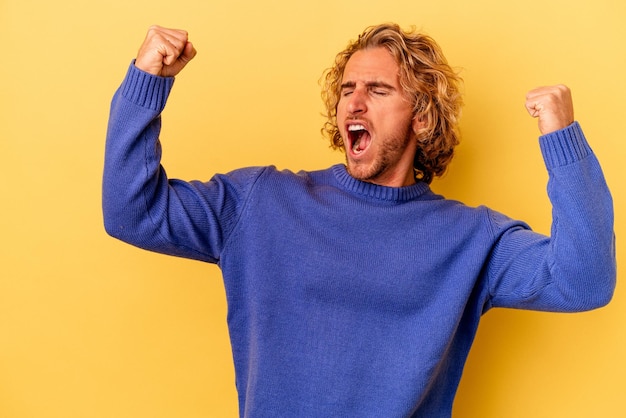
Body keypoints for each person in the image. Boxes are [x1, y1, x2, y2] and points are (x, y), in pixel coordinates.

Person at [102, 23, 616, 417]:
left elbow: (585, 281)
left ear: (421, 116)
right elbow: (132, 212)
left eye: (378, 89)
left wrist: (562, 138)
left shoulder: (472, 239)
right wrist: (146, 83)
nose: (355, 100)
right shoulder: (262, 201)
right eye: (348, 89)